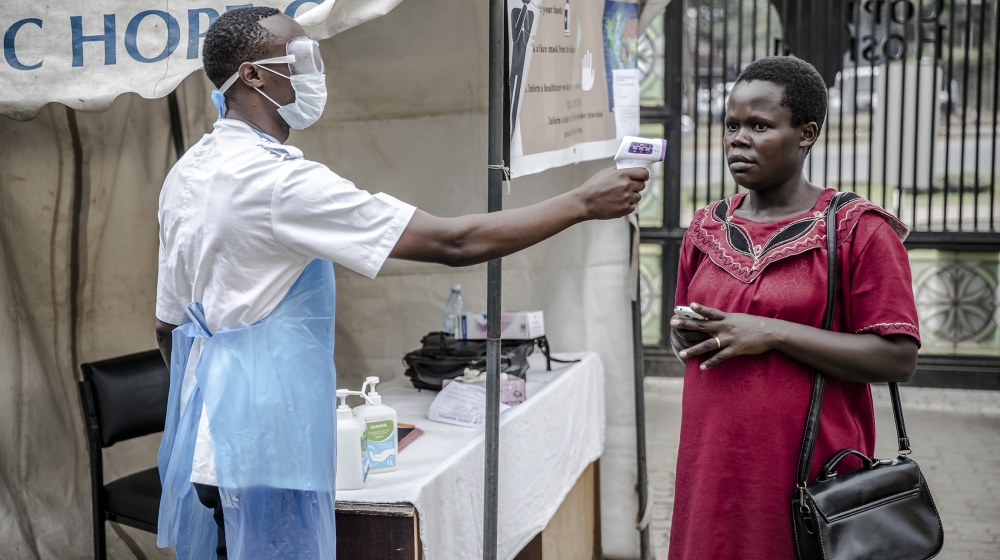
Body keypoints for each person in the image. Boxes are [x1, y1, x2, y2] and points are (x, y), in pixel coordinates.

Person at [153, 7, 647, 560]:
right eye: (301, 56)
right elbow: (452, 242)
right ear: (253, 75)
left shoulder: (187, 172)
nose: (315, 69)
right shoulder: (277, 182)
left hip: (210, 441)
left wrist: (216, 400)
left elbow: (168, 325)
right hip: (269, 447)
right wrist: (581, 202)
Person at [667, 56, 920, 560]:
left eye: (760, 126)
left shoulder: (857, 230)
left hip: (809, 479)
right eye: (732, 125)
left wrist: (772, 332)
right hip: (712, 470)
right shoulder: (705, 228)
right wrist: (686, 334)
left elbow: (898, 358)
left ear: (806, 134)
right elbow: (687, 332)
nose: (738, 139)